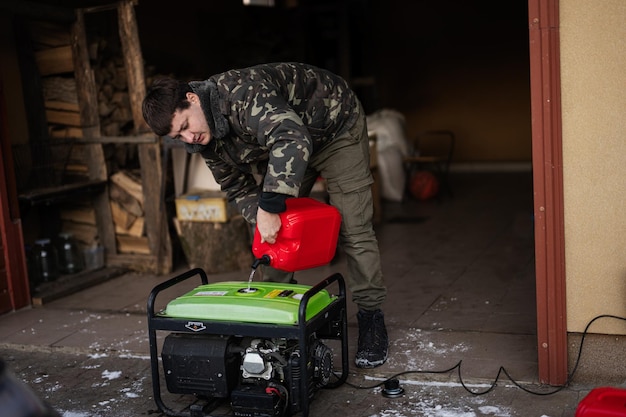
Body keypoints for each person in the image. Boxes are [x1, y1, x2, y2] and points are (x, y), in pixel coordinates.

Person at [142, 62, 388, 368]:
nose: (189, 138)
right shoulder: (203, 139)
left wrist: (270, 207)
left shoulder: (241, 95)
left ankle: (371, 319)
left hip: (334, 127)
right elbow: (235, 185)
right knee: (275, 233)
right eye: (178, 136)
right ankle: (277, 320)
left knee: (354, 228)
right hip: (290, 147)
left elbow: (291, 138)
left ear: (191, 99)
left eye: (185, 126)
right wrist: (264, 220)